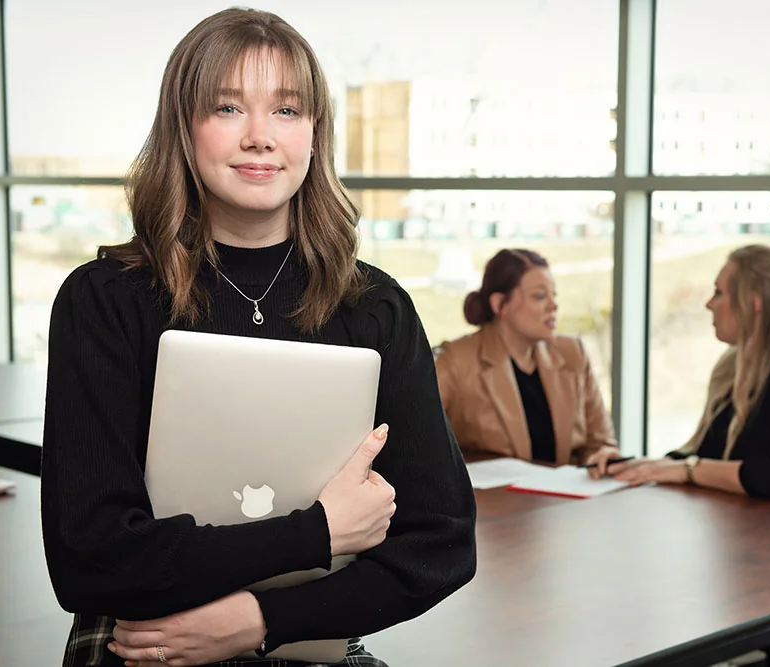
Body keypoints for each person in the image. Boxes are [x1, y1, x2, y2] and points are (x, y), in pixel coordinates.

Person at [39, 9, 476, 667]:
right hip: (143, 647)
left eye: (287, 110)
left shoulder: (375, 307)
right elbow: (88, 560)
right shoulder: (103, 300)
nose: (259, 137)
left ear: (313, 133)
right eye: (227, 108)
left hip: (308, 639)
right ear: (184, 129)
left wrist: (259, 621)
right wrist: (317, 533)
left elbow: (442, 543)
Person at [587, 243, 770, 506]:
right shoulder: (734, 366)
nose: (709, 303)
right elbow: (707, 456)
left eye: (719, 293)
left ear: (753, 303)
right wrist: (631, 466)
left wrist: (686, 470)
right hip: (747, 530)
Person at [434, 248, 620, 465]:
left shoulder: (573, 353)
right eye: (540, 296)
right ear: (500, 304)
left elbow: (601, 443)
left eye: (554, 295)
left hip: (568, 496)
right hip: (490, 498)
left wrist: (603, 457)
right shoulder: (454, 361)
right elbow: (416, 442)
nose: (554, 305)